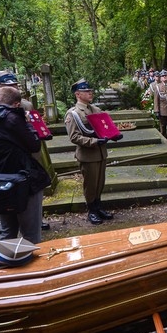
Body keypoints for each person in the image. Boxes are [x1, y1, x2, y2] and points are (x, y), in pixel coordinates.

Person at [0, 86, 50, 243]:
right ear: (17, 104)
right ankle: (33, 265)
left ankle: (6, 263)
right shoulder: (13, 119)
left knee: (7, 230)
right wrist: (28, 124)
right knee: (31, 233)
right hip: (22, 180)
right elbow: (34, 146)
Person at [64, 79, 115, 225]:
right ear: (78, 94)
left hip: (100, 153)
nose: (90, 93)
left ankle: (98, 206)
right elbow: (74, 137)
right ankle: (91, 210)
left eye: (90, 90)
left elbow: (103, 128)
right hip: (88, 155)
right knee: (91, 185)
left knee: (100, 183)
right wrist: (93, 142)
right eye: (86, 91)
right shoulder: (73, 113)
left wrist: (113, 134)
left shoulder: (96, 110)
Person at [151, 70, 167, 143]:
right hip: (162, 111)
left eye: (165, 75)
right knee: (162, 127)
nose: (164, 77)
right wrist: (156, 111)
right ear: (161, 78)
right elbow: (156, 100)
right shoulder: (157, 87)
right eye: (162, 76)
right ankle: (164, 141)